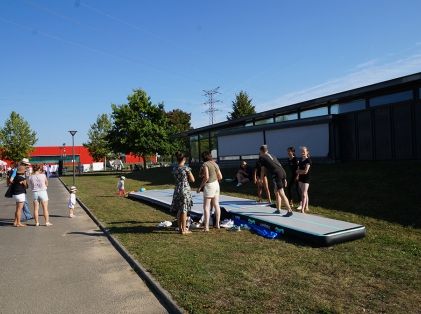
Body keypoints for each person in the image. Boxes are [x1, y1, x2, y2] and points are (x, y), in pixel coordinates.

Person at [258, 145, 293, 216]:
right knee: (276, 191)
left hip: (277, 174)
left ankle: (289, 211)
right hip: (282, 172)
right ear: (267, 150)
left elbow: (262, 170)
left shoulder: (262, 157)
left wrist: (261, 179)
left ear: (261, 151)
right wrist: (285, 178)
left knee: (281, 192)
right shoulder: (272, 155)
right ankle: (278, 209)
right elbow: (279, 164)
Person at [197, 151, 223, 231]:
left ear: (203, 158)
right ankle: (217, 224)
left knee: (206, 206)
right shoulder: (215, 163)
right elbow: (220, 177)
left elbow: (206, 177)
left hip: (209, 185)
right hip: (216, 185)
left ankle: (206, 227)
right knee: (216, 204)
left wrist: (200, 187)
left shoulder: (205, 164)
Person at [170, 152, 195, 235]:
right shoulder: (186, 168)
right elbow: (192, 180)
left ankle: (180, 228)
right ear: (184, 159)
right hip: (185, 189)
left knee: (179, 210)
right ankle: (184, 229)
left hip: (177, 189)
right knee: (184, 210)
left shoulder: (174, 168)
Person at [296, 146, 312, 213]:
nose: (302, 153)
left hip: (306, 179)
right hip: (300, 179)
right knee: (304, 193)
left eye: (304, 151)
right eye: (302, 151)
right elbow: (298, 170)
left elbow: (306, 171)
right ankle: (307, 206)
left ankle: (302, 209)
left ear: (307, 152)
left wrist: (299, 171)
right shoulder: (300, 160)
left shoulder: (308, 160)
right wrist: (298, 174)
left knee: (304, 194)